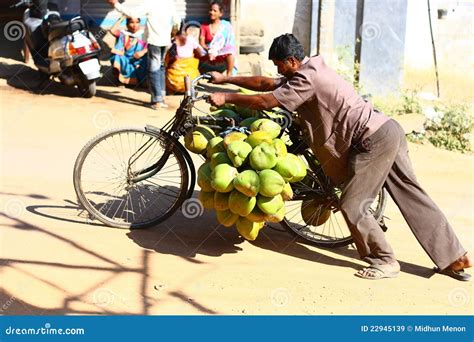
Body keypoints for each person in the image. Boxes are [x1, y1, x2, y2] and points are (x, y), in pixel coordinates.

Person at [207, 33, 472, 281]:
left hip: (372, 141)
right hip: (387, 129)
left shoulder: (306, 79)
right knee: (412, 194)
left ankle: (384, 260)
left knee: (352, 203)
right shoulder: (311, 68)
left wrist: (225, 97)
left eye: (280, 65)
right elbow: (268, 84)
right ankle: (454, 257)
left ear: (292, 61)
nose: (278, 71)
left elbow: (266, 100)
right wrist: (226, 79)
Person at [107, 0, 180, 109]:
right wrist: (172, 33)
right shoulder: (169, 3)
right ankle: (161, 97)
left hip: (154, 41)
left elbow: (132, 13)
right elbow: (177, 21)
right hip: (165, 42)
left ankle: (157, 101)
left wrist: (116, 4)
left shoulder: (150, 3)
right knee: (160, 68)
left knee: (154, 70)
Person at [199, 1, 237, 76]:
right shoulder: (204, 26)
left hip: (221, 53)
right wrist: (209, 49)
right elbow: (202, 43)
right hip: (209, 54)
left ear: (221, 13)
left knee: (231, 49)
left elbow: (230, 42)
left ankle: (229, 75)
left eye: (215, 11)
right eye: (210, 10)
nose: (211, 12)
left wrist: (219, 49)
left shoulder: (226, 26)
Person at [165, 22, 205, 94]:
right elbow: (201, 54)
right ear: (187, 32)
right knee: (194, 62)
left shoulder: (170, 42)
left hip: (173, 82)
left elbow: (166, 62)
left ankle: (170, 91)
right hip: (190, 81)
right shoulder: (191, 40)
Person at [109, 16, 148, 86]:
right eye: (131, 22)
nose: (134, 25)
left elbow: (152, 46)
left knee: (150, 57)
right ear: (127, 24)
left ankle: (141, 81)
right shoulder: (123, 34)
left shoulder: (144, 34)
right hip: (126, 59)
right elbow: (112, 30)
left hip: (139, 61)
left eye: (137, 22)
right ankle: (121, 80)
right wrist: (122, 17)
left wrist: (143, 51)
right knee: (116, 56)